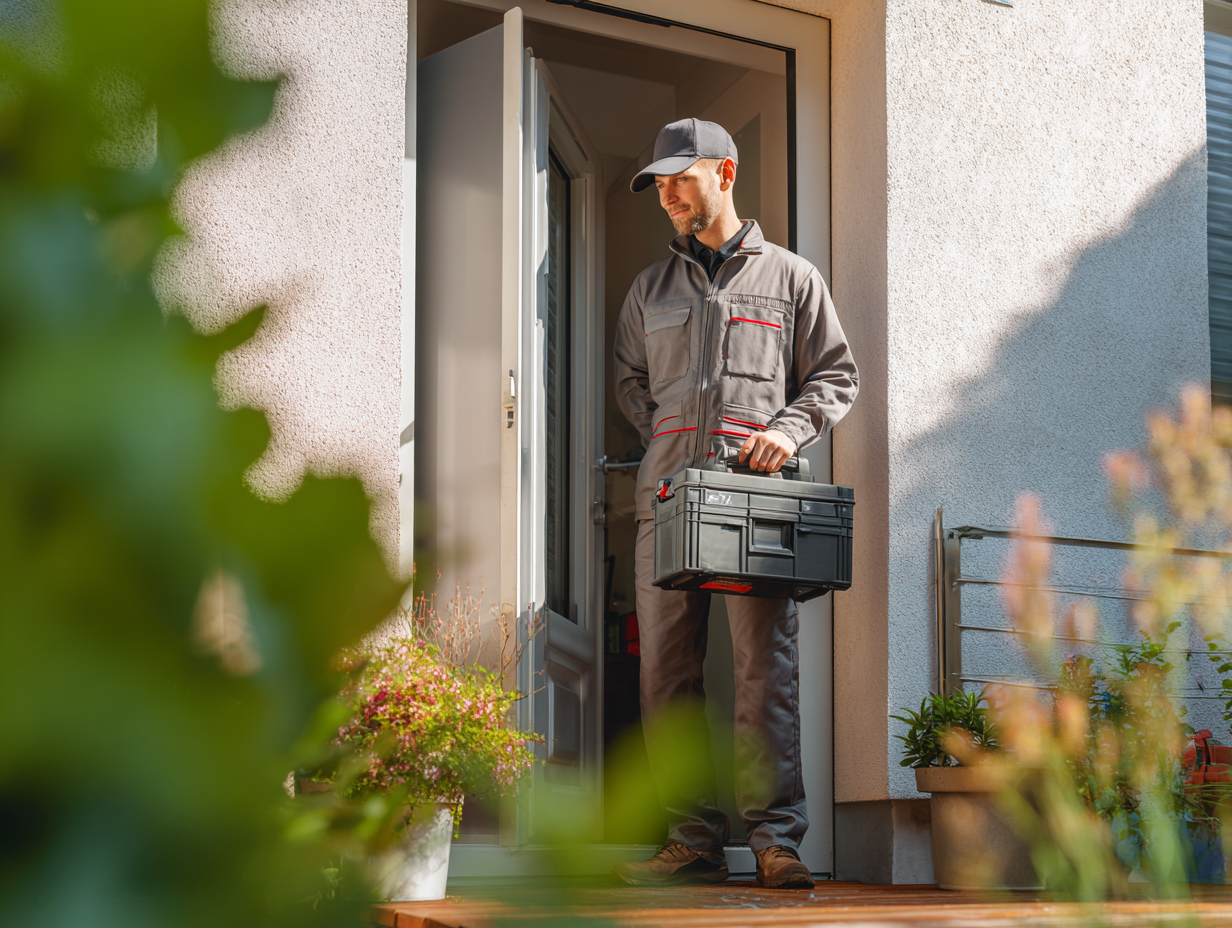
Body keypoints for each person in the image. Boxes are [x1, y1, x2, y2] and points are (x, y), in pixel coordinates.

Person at [610, 118, 858, 890]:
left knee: (764, 669)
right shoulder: (648, 291)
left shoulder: (792, 279)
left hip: (758, 504)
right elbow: (630, 384)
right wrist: (671, 445)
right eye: (658, 184)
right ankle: (692, 839)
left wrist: (784, 433)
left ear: (725, 171)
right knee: (667, 675)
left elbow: (836, 377)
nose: (667, 195)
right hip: (670, 502)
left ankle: (776, 839)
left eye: (680, 178)